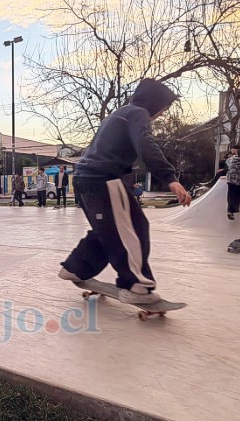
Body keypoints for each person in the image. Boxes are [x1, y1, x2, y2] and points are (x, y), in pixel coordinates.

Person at [58, 78, 192, 305]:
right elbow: (146, 144)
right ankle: (136, 286)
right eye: (163, 109)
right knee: (134, 228)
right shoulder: (138, 113)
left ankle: (76, 267)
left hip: (85, 179)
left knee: (108, 230)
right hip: (104, 180)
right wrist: (169, 178)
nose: (161, 115)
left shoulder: (118, 114)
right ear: (155, 104)